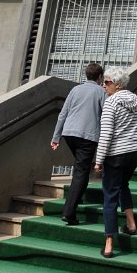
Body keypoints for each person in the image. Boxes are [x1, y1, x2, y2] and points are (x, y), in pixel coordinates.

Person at [93, 67, 137, 258]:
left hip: (117, 153)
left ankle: (109, 243)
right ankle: (131, 223)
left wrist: (99, 160)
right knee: (123, 184)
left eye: (107, 82)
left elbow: (106, 133)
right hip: (136, 150)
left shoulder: (111, 102)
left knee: (110, 195)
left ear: (118, 85)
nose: (104, 85)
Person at [51, 62, 106, 225]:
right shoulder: (101, 92)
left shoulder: (75, 89)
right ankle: (69, 213)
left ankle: (77, 196)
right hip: (87, 136)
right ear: (100, 77)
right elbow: (106, 114)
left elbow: (63, 114)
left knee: (81, 167)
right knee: (81, 171)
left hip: (69, 133)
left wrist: (56, 137)